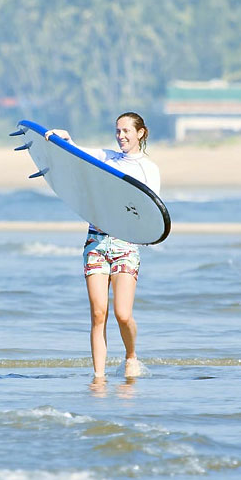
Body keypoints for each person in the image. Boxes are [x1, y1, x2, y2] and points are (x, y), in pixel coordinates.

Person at [47, 112, 161, 379]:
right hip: (96, 242)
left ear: (140, 133)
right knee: (99, 314)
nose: (121, 136)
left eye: (126, 131)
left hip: (125, 244)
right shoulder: (107, 157)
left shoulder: (148, 169)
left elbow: (152, 211)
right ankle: (99, 377)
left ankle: (131, 355)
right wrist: (64, 138)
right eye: (118, 131)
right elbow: (78, 153)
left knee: (123, 315)